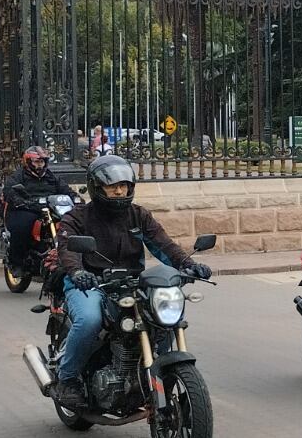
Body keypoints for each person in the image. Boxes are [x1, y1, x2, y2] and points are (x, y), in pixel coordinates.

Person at [51, 156, 212, 411]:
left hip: (132, 283)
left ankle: (156, 369)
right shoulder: (80, 216)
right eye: (112, 186)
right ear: (96, 187)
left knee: (163, 317)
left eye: (124, 185)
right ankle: (68, 378)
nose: (119, 190)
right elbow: (68, 249)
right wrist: (77, 272)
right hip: (90, 283)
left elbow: (163, 245)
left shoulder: (138, 215)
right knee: (90, 320)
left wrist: (186, 264)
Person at [0, 146, 74, 268]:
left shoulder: (51, 177)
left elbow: (66, 189)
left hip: (50, 208)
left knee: (71, 222)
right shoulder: (19, 176)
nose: (40, 165)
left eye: (42, 161)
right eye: (36, 162)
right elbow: (10, 190)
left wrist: (76, 199)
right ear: (28, 162)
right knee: (22, 228)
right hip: (27, 208)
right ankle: (16, 263)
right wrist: (20, 201)